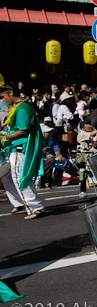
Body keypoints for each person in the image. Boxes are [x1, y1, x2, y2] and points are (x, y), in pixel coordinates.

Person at [0, 77, 46, 219]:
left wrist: (5, 137)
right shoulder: (21, 107)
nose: (2, 100)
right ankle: (35, 206)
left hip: (20, 147)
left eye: (3, 97)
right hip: (19, 148)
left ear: (10, 93)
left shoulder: (22, 109)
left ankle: (34, 208)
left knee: (20, 178)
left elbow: (24, 130)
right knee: (20, 177)